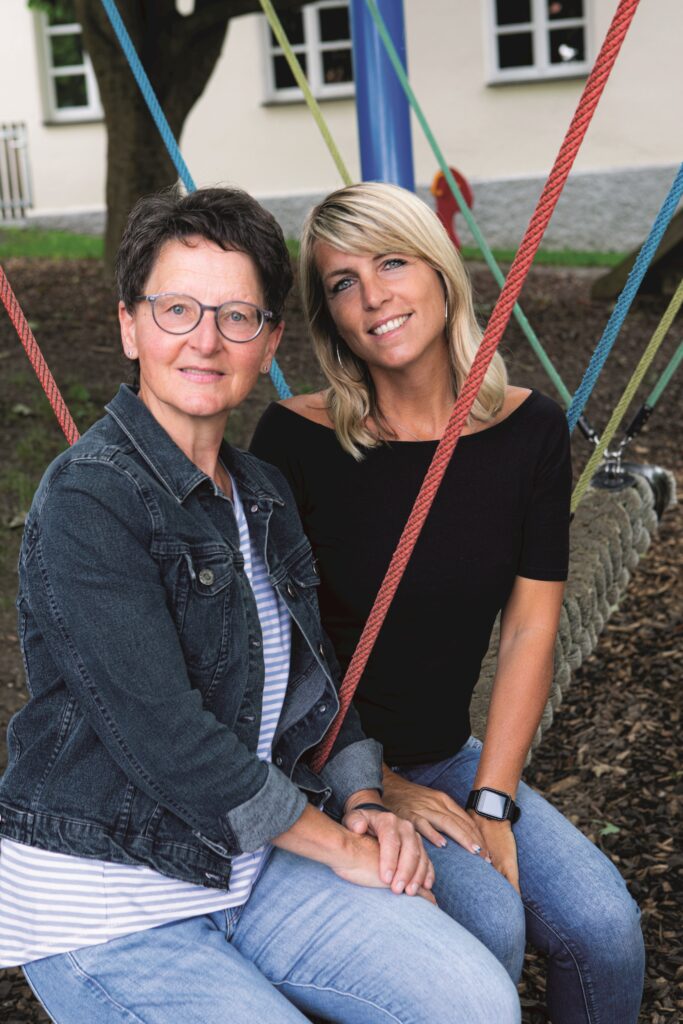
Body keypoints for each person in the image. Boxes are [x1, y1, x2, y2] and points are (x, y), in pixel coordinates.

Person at [0, 186, 521, 1024]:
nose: (206, 340)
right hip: (111, 896)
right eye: (176, 309)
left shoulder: (262, 490)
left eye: (237, 316)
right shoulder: (90, 500)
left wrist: (361, 800)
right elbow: (170, 743)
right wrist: (340, 847)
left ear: (270, 340)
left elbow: (315, 687)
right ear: (129, 326)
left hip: (247, 868)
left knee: (476, 1003)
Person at [250, 181, 646, 1024]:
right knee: (489, 924)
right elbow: (267, 649)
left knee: (604, 929)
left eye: (391, 263)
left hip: (447, 755)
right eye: (343, 282)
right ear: (330, 319)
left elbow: (531, 625)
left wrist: (493, 799)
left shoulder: (528, 431)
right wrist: (378, 784)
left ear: (439, 272)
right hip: (324, 768)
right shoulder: (294, 441)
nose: (373, 297)